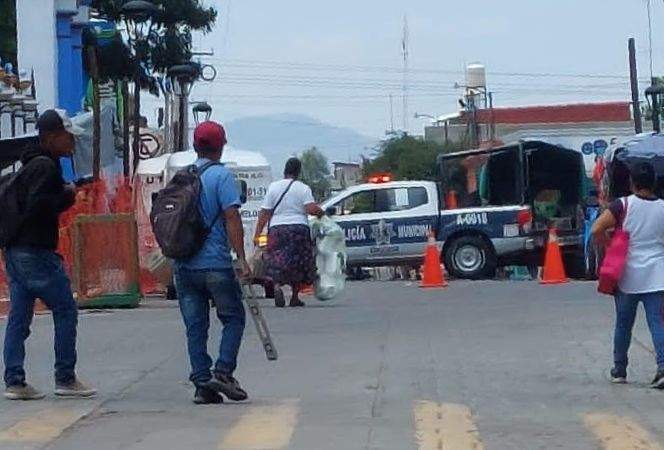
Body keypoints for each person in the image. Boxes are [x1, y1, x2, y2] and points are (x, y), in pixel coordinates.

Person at [3, 109, 96, 400]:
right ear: (52, 136)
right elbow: (40, 206)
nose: (72, 143)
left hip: (15, 251)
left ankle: (14, 380)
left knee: (20, 316)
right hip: (35, 251)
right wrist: (68, 195)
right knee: (65, 309)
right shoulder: (45, 167)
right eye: (68, 137)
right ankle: (65, 377)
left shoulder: (29, 164)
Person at [173, 121, 252, 405]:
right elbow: (232, 218)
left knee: (195, 326)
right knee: (233, 318)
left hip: (184, 265)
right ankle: (223, 371)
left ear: (195, 146)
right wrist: (242, 257)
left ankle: (202, 385)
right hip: (215, 263)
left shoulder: (182, 176)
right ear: (221, 146)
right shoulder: (222, 177)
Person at [592, 162, 664, 388]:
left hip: (627, 276)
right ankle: (663, 368)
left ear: (631, 183)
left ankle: (619, 369)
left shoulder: (622, 205)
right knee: (658, 324)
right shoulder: (662, 207)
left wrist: (612, 245)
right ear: (654, 183)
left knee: (624, 324)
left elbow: (596, 230)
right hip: (657, 275)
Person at [254, 158, 324, 308]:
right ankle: (294, 297)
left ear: (284, 170)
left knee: (276, 259)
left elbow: (265, 212)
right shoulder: (303, 188)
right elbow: (311, 209)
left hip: (277, 230)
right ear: (298, 172)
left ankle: (277, 286)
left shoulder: (274, 187)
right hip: (299, 229)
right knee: (298, 262)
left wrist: (257, 233)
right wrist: (322, 214)